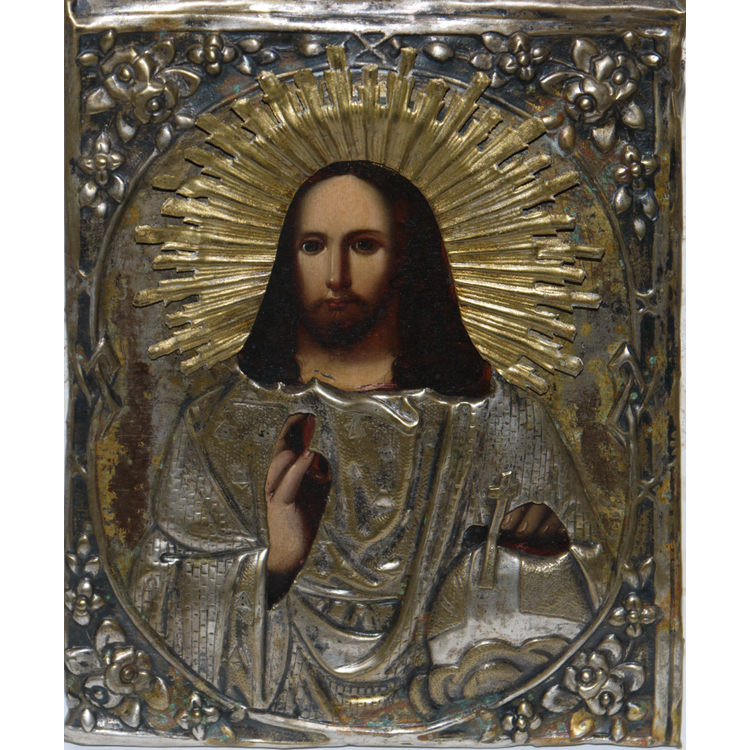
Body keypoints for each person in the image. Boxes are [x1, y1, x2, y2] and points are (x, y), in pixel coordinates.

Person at [129, 161, 611, 724]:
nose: (336, 275)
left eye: (363, 246)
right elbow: (153, 610)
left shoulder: (503, 423)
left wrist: (546, 560)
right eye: (313, 246)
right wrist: (275, 565)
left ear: (408, 259)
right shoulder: (218, 428)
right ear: (288, 260)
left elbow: (603, 600)